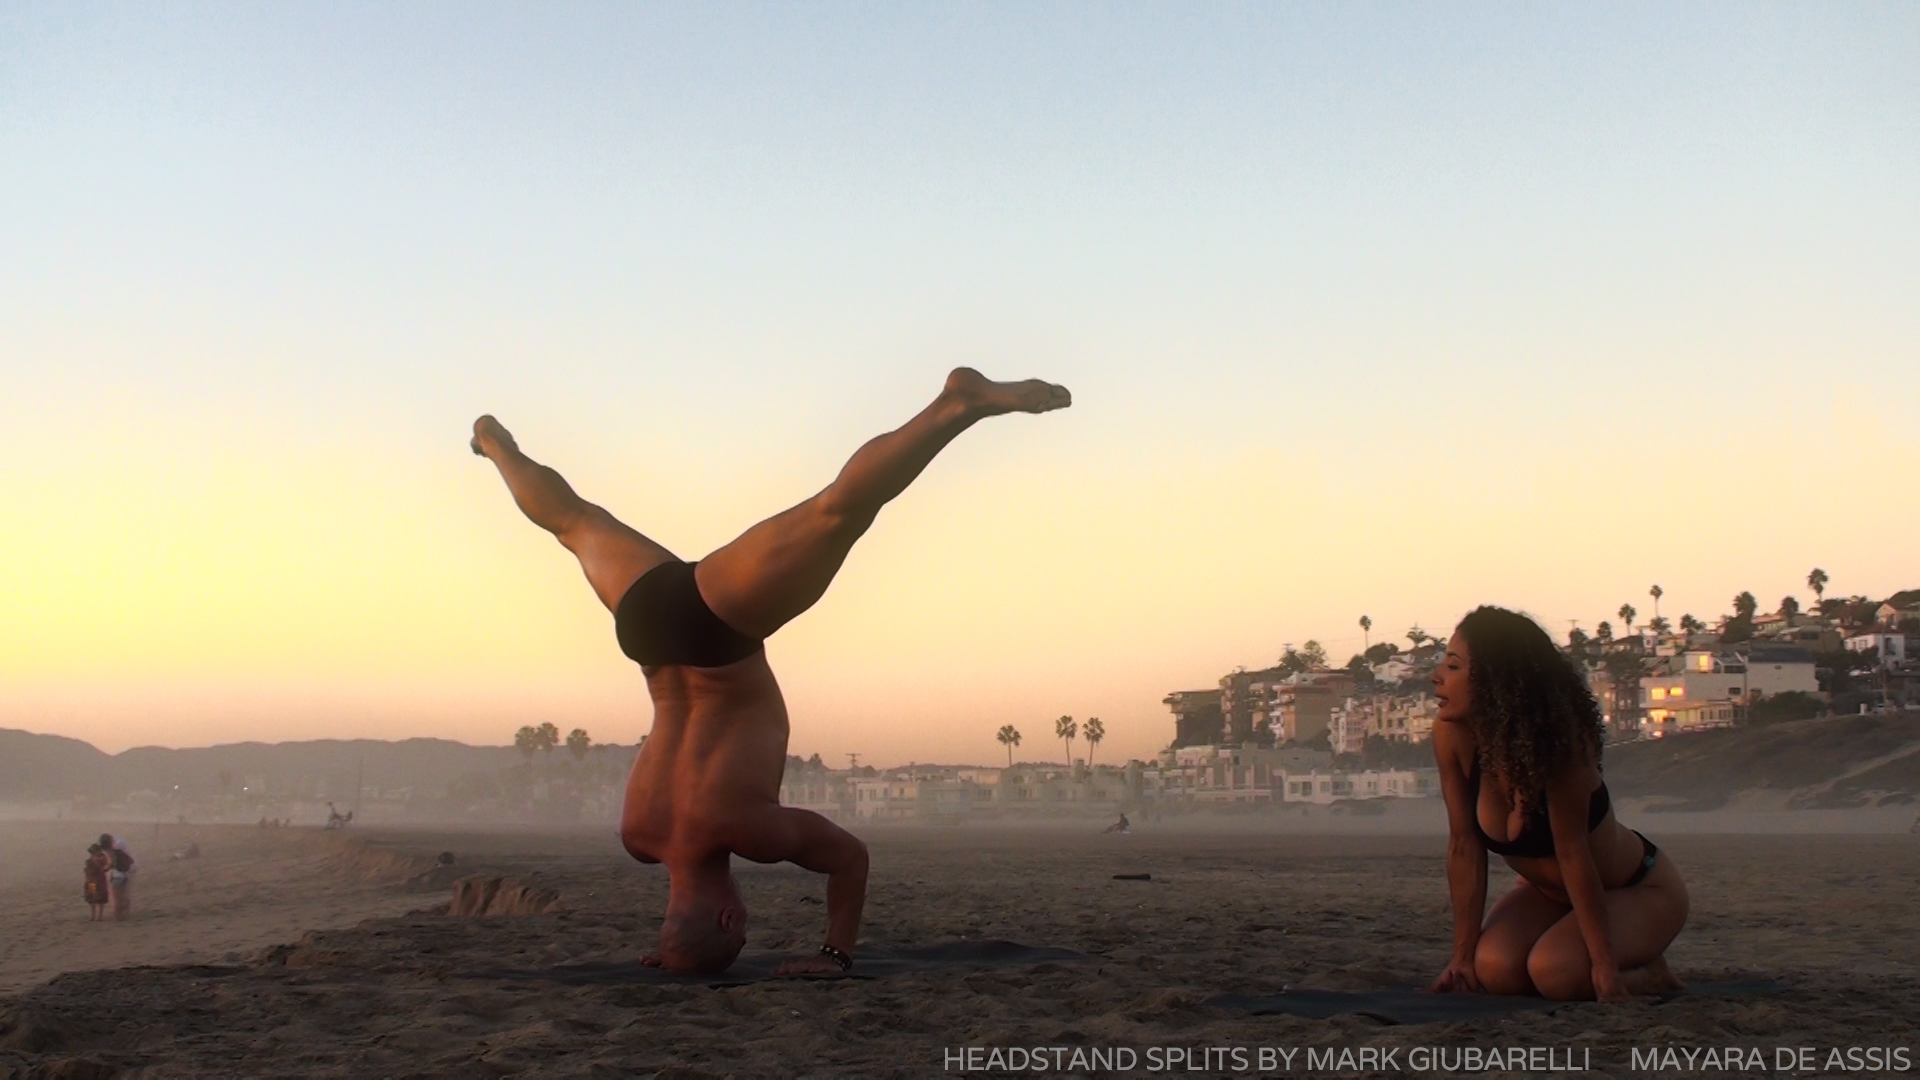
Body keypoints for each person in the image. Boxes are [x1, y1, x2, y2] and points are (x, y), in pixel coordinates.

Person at [473, 367, 1070, 975]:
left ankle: (955, 404)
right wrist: (677, 954)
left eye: (739, 933)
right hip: (647, 633)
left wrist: (835, 954)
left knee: (838, 510)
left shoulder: (748, 830)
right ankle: (495, 444)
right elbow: (690, 916)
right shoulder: (638, 835)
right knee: (572, 522)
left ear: (732, 919)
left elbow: (851, 860)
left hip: (719, 634)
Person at [1429, 606, 1688, 1002]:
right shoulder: (1453, 736)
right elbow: (1464, 846)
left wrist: (1603, 966)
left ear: (1498, 682)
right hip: (1548, 896)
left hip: (1636, 888)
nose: (1437, 677)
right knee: (1494, 970)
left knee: (1555, 974)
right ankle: (1570, 954)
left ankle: (1650, 974)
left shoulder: (1556, 744)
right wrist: (1461, 958)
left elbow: (1572, 853)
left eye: (1453, 666)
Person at [99, 833, 138, 920]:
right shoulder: (119, 849)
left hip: (116, 875)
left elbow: (109, 865)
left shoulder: (108, 853)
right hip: (125, 874)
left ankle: (118, 915)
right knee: (123, 894)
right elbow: (131, 860)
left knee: (115, 897)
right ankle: (126, 912)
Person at [84, 845, 111, 921]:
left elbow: (106, 867)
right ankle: (94, 916)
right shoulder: (93, 860)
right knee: (93, 898)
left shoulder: (101, 858)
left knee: (99, 899)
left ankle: (98, 916)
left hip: (97, 880)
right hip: (94, 880)